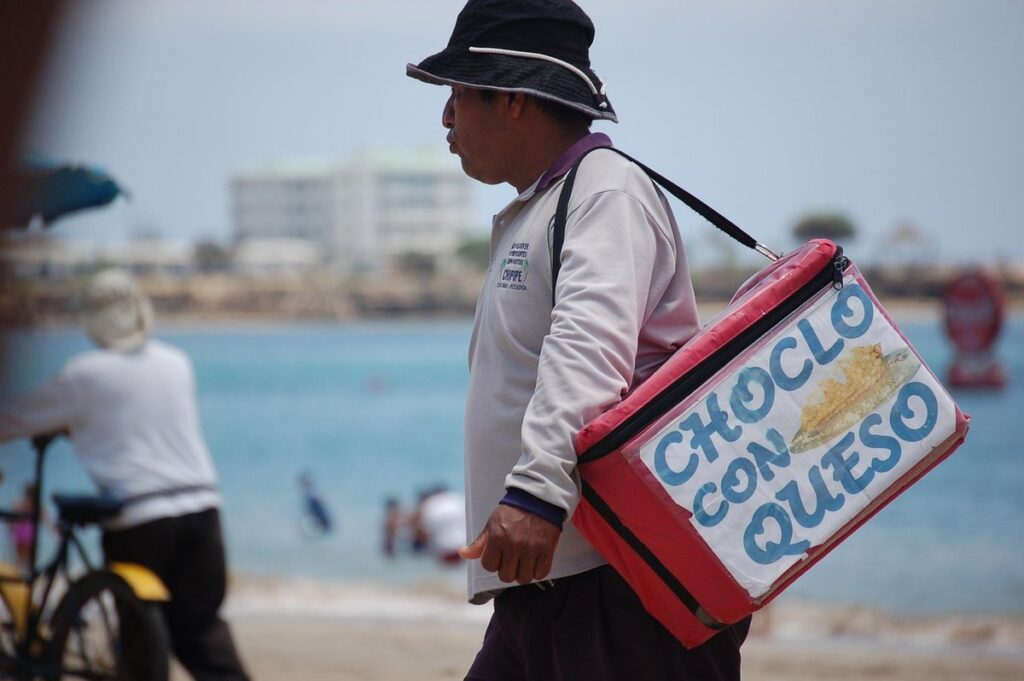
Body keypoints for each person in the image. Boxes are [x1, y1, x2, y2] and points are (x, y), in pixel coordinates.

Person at [406, 1, 752, 679]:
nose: (446, 116)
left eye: (456, 93)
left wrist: (534, 495)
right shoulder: (547, 200)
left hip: (617, 582)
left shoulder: (605, 191)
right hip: (548, 581)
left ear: (510, 99)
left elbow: (587, 347)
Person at [0, 268, 250, 681]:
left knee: (139, 651)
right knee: (202, 634)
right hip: (203, 510)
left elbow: (12, 418)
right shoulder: (177, 362)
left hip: (140, 519)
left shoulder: (84, 374)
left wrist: (67, 422)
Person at [298, 471, 333, 536]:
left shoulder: (312, 494)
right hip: (319, 518)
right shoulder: (311, 494)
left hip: (321, 521)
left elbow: (319, 508)